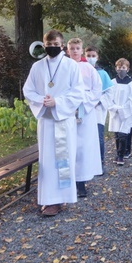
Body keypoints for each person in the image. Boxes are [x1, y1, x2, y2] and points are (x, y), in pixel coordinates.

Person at [23, 30, 85, 217]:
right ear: (44, 44)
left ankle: (60, 198)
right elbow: (28, 90)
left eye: (55, 45)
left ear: (62, 45)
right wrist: (42, 100)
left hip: (63, 121)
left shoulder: (71, 66)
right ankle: (49, 199)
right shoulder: (37, 67)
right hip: (46, 121)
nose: (52, 48)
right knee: (48, 162)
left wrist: (57, 101)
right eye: (48, 45)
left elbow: (78, 92)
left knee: (62, 161)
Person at [67, 38, 102, 197]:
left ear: (82, 50)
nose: (75, 51)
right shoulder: (63, 67)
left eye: (77, 48)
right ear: (67, 50)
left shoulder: (89, 68)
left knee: (83, 148)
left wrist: (83, 103)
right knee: (70, 146)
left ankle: (81, 183)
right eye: (72, 48)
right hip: (67, 111)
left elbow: (97, 89)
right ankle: (70, 181)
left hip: (85, 112)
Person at [85, 45, 114, 170]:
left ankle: (100, 163)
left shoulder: (102, 73)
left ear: (97, 57)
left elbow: (110, 92)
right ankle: (87, 163)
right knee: (85, 138)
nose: (91, 58)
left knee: (98, 137)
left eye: (93, 56)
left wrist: (99, 101)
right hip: (84, 109)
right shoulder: (80, 70)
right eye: (88, 56)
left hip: (97, 110)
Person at [108, 58, 132, 165]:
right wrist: (114, 107)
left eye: (124, 68)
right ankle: (117, 153)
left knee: (123, 134)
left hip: (126, 112)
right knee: (117, 134)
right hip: (115, 112)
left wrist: (123, 109)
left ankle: (121, 155)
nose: (121, 70)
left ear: (128, 69)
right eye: (119, 67)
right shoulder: (112, 82)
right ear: (116, 68)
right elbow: (108, 97)